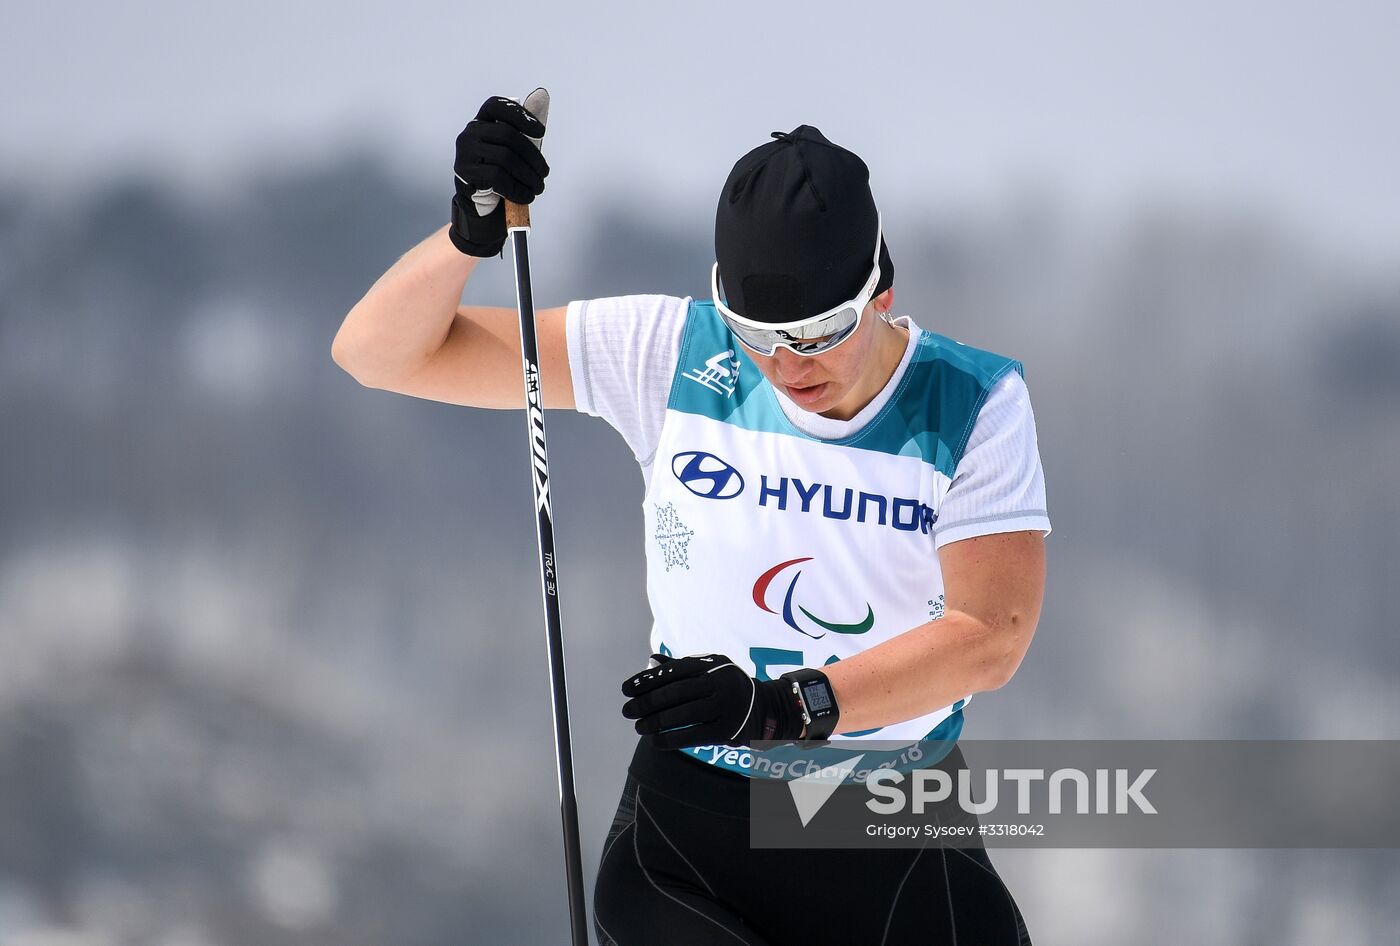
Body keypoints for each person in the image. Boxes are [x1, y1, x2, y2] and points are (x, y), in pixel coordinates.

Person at [332, 92, 1050, 946]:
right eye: (757, 331)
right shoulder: (671, 352)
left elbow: (990, 637)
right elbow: (377, 353)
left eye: (820, 332)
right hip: (694, 834)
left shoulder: (972, 401)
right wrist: (467, 238)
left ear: (880, 291)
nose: (787, 366)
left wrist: (786, 708)